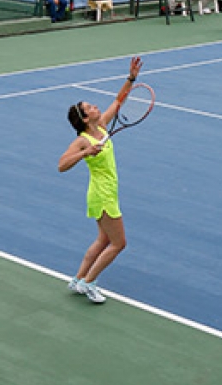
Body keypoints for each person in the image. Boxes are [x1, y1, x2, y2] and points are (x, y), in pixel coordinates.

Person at [59, 56, 144, 304]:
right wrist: (85, 152)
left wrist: (131, 78)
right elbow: (62, 165)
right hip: (103, 195)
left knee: (103, 239)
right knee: (119, 244)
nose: (96, 107)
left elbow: (119, 101)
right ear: (85, 119)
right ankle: (89, 282)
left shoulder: (103, 125)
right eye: (91, 108)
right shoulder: (83, 140)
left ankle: (78, 279)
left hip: (103, 193)